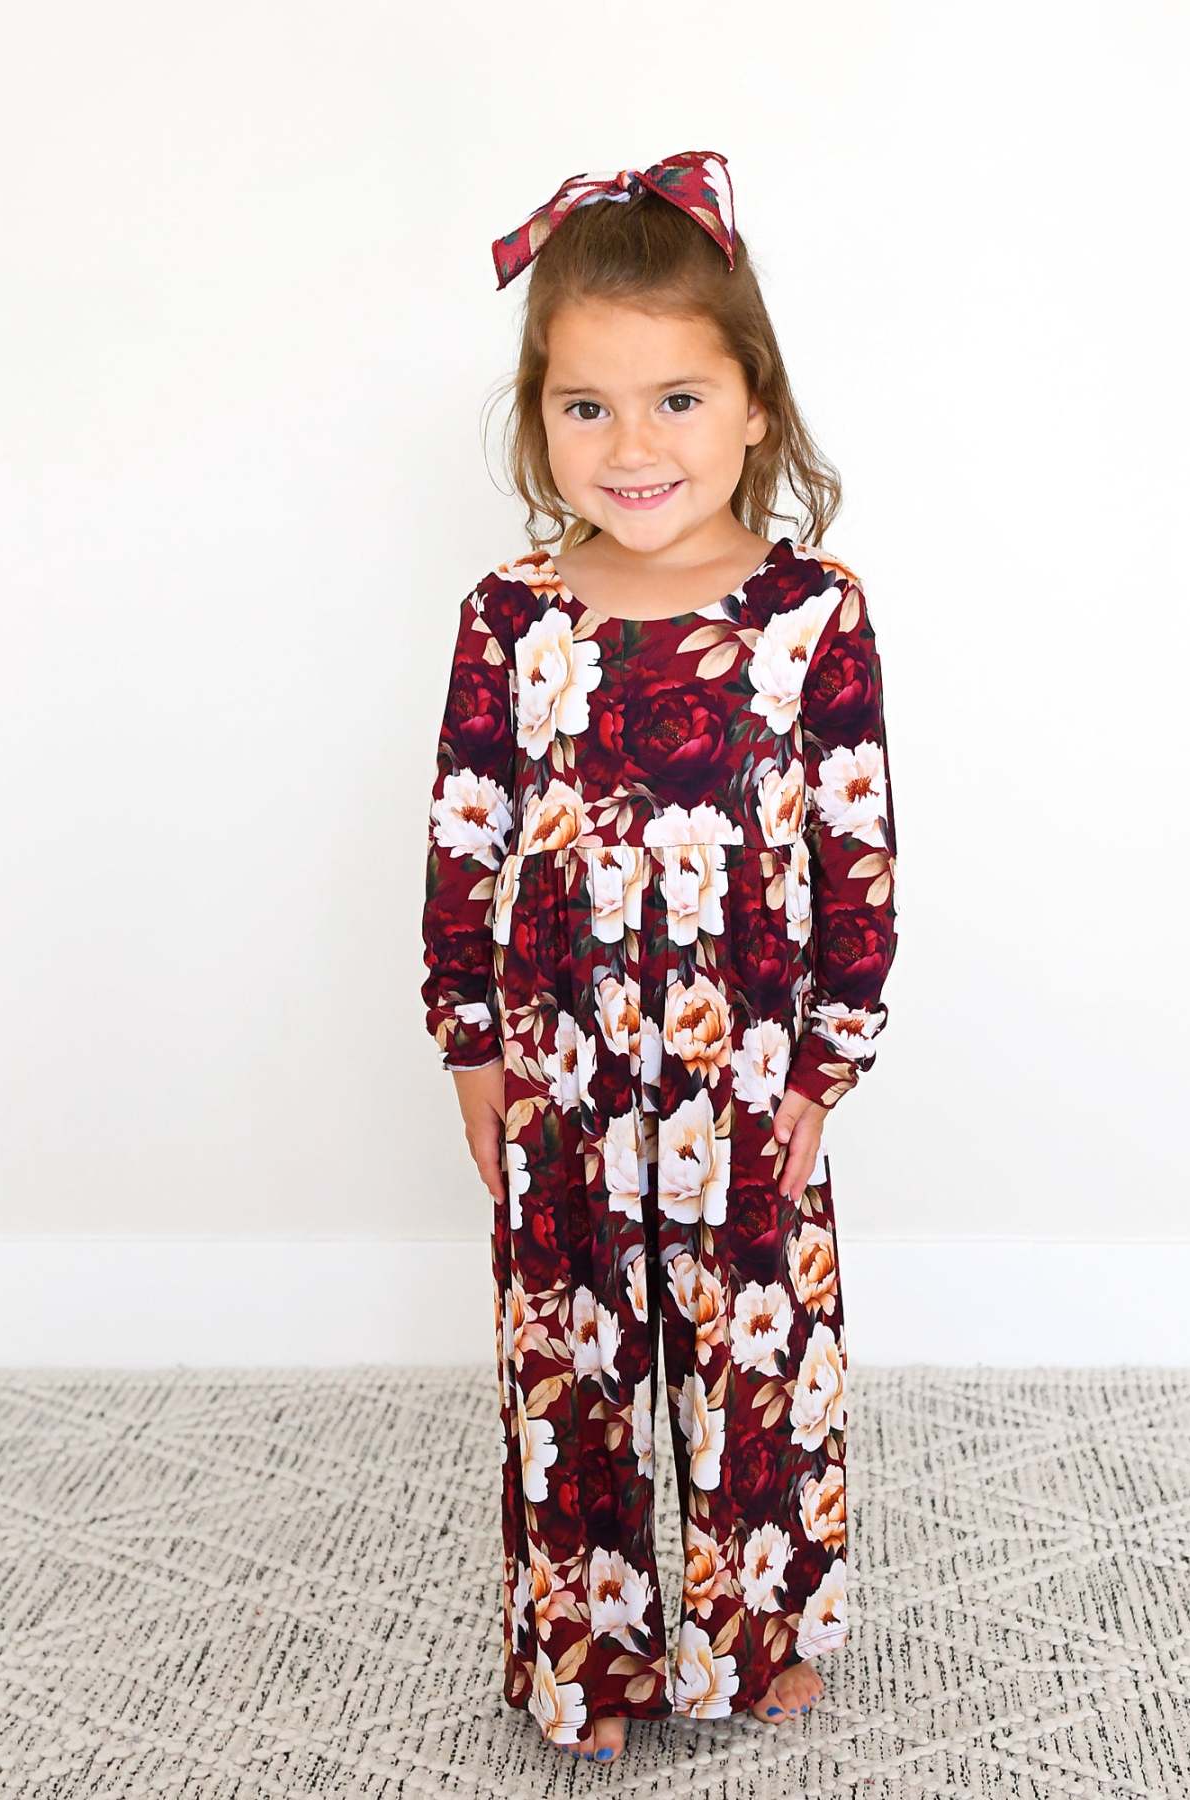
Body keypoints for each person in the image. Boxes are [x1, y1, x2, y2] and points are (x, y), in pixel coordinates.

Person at [418, 150, 897, 1765]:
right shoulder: (512, 615)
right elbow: (466, 835)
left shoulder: (811, 612)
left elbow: (857, 848)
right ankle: (593, 1659)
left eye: (677, 401)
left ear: (754, 404)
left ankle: (761, 1634)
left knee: (760, 1366)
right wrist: (469, 1045)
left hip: (743, 1068)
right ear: (539, 419)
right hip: (561, 1072)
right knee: (573, 1374)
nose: (633, 448)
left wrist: (831, 1058)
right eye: (588, 407)